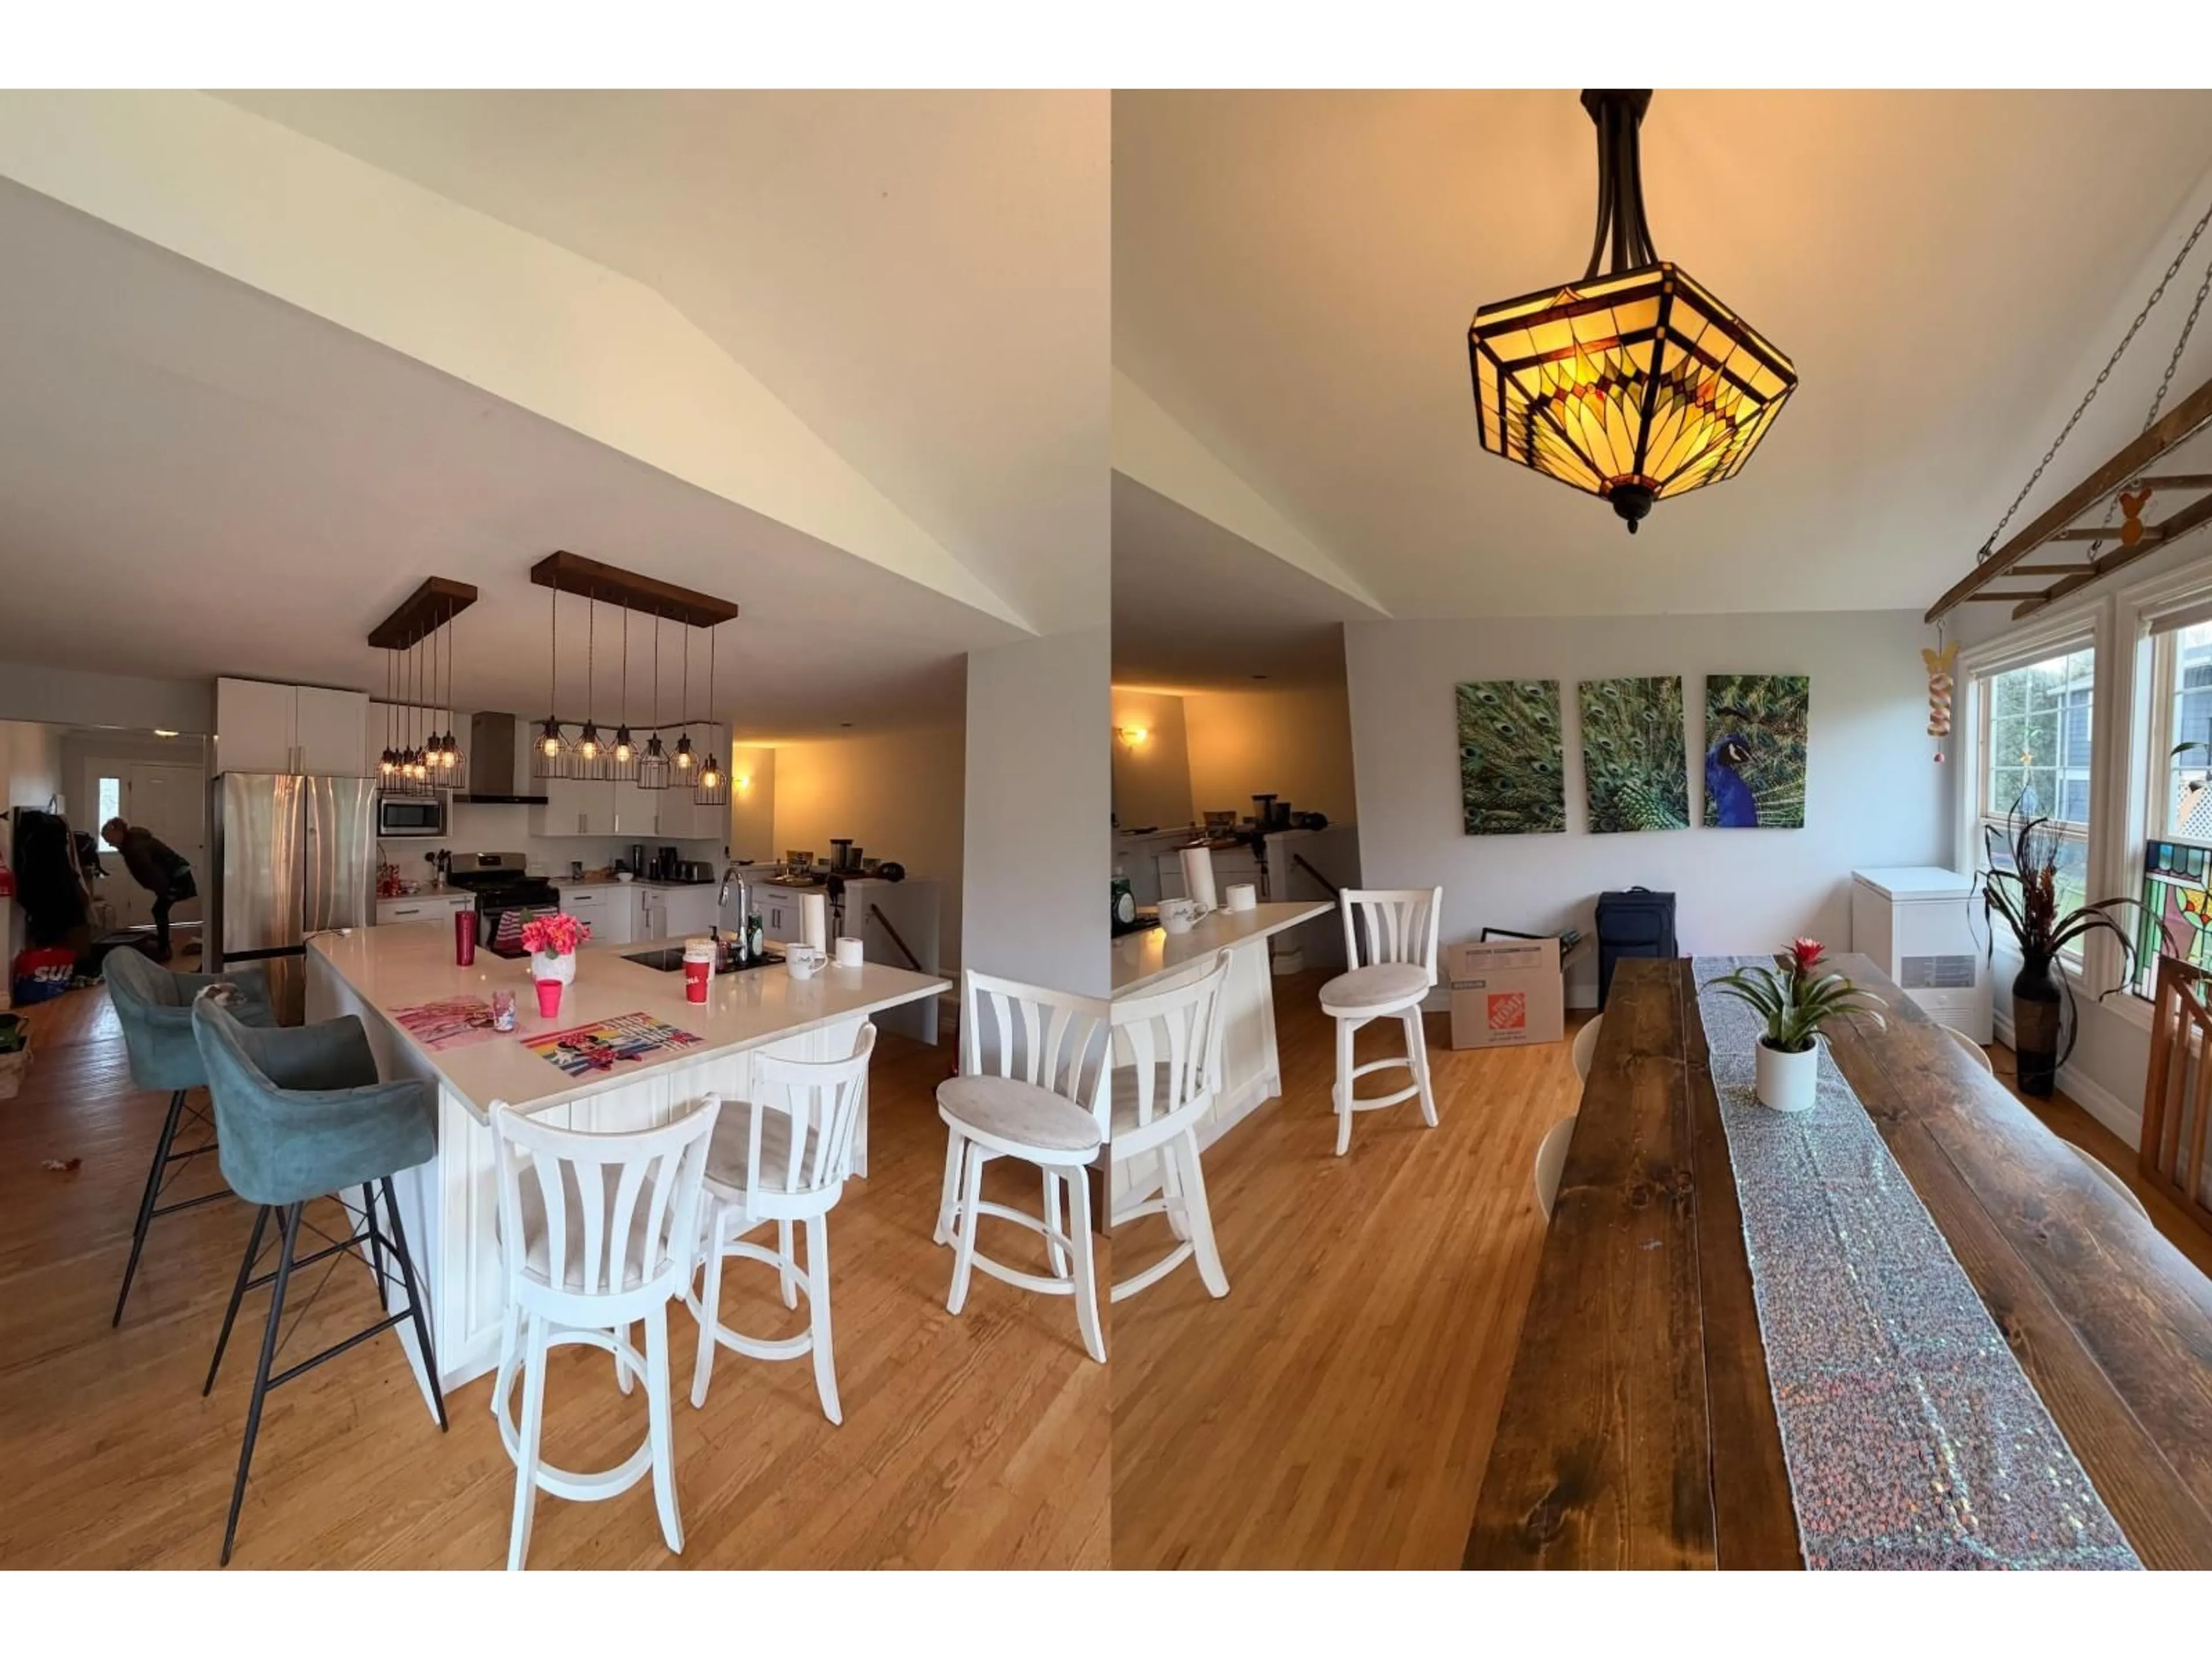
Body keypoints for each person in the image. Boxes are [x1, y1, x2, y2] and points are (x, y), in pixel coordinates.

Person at [101, 817, 195, 960]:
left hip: (178, 879)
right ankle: (163, 946)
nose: (109, 844)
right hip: (177, 876)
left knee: (159, 910)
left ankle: (164, 949)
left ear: (118, 832)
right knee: (159, 910)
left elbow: (151, 872)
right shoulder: (131, 842)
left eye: (109, 839)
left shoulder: (135, 847)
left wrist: (164, 891)